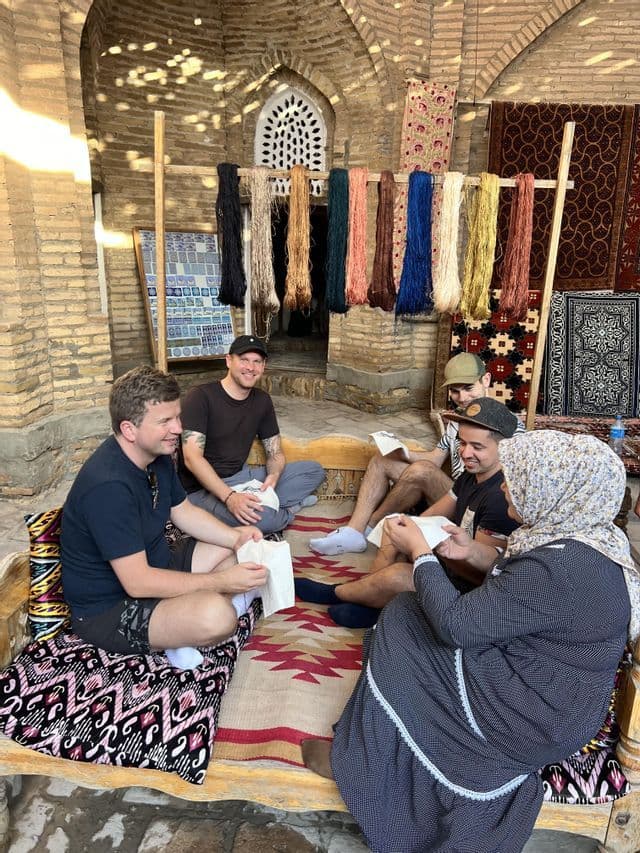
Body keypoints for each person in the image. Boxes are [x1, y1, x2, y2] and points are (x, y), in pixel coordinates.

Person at [300, 429, 637, 853]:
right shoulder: (587, 541)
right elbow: (521, 594)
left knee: (405, 620)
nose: (509, 486)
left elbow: (458, 627)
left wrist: (423, 554)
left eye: (520, 478)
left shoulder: (561, 567)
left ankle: (366, 759)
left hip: (533, 719)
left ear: (555, 489)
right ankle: (372, 741)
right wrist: (470, 553)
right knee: (411, 612)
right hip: (553, 700)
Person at [61, 366, 268, 669]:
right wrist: (221, 582)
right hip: (110, 608)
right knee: (218, 616)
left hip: (157, 565)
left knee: (242, 551)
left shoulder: (157, 456)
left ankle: (181, 623)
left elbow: (183, 512)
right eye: (165, 421)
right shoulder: (108, 487)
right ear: (129, 429)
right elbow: (139, 584)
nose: (178, 428)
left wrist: (237, 537)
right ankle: (182, 626)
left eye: (178, 417)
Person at [296, 397, 520, 628]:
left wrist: (431, 550)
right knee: (397, 526)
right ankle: (372, 601)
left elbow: (479, 576)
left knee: (398, 576)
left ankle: (338, 593)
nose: (465, 453)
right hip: (451, 560)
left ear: (503, 447)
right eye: (462, 443)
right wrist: (409, 529)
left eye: (477, 447)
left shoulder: (499, 498)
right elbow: (438, 509)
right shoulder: (471, 475)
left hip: (466, 595)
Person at [309, 352, 522, 556]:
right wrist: (402, 451)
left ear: (486, 380)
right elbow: (436, 459)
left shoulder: (508, 425)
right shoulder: (458, 419)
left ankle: (372, 528)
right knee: (383, 460)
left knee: (421, 472)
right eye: (455, 392)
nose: (462, 397)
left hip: (481, 500)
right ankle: (355, 531)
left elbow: (513, 483)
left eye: (468, 388)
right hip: (457, 489)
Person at [179, 334, 325, 535]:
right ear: (229, 361)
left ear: (263, 367)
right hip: (202, 490)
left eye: (257, 362)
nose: (251, 367)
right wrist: (230, 497)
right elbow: (191, 458)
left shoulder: (262, 401)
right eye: (244, 360)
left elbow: (274, 452)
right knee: (264, 520)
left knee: (313, 471)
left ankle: (271, 505)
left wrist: (273, 477)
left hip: (242, 478)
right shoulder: (201, 397)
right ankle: (289, 510)